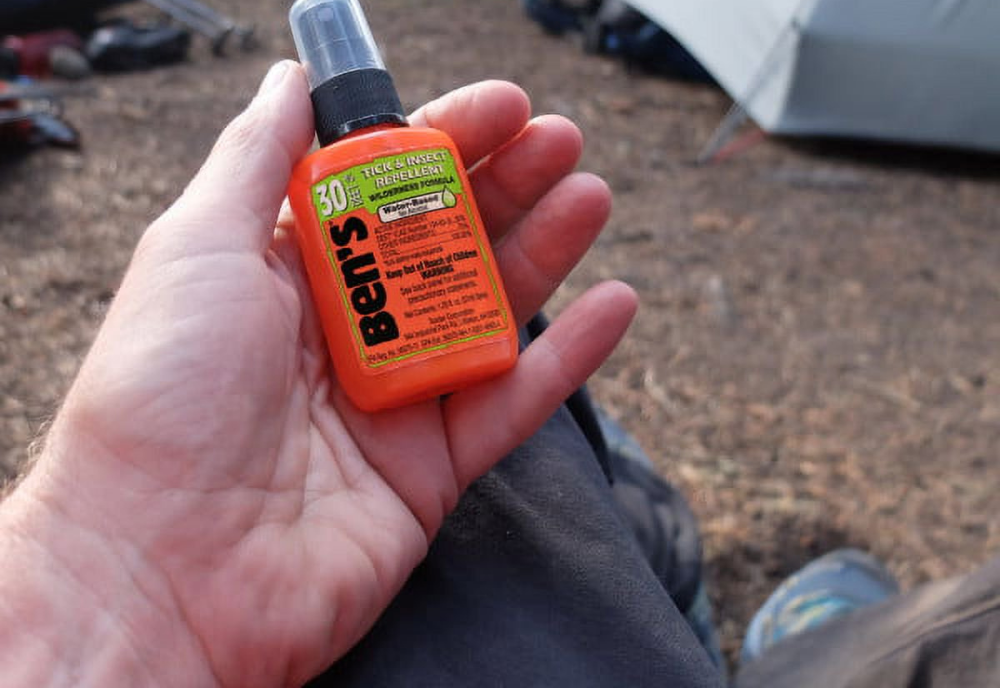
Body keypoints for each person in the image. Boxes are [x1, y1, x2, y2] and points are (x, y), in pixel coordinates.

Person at [2, 61, 994, 686]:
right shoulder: (338, 181)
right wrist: (108, 562)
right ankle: (784, 647)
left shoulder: (384, 167)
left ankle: (767, 644)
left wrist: (100, 580)